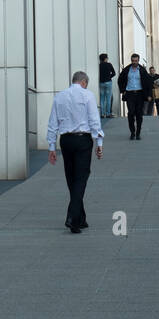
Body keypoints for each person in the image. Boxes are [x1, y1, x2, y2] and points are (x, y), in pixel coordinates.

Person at [47, 71, 104, 233]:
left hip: (65, 140)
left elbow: (53, 123)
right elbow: (94, 120)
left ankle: (81, 217)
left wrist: (51, 147)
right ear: (84, 82)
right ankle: (72, 217)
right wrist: (99, 143)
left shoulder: (60, 96)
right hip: (82, 140)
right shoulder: (88, 96)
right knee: (81, 177)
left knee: (71, 177)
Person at [118, 53, 152, 139]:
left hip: (140, 94)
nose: (134, 62)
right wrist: (123, 91)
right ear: (131, 60)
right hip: (129, 94)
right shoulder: (126, 70)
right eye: (133, 61)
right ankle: (132, 132)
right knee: (131, 113)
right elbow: (120, 80)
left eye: (136, 61)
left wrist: (149, 95)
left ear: (138, 60)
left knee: (139, 114)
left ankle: (138, 133)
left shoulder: (142, 70)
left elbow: (148, 83)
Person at [98, 53, 116, 118]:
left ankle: (102, 114)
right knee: (108, 98)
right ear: (106, 58)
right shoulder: (109, 65)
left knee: (102, 98)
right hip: (108, 82)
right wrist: (109, 76)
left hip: (101, 83)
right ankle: (108, 113)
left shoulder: (99, 65)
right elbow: (114, 73)